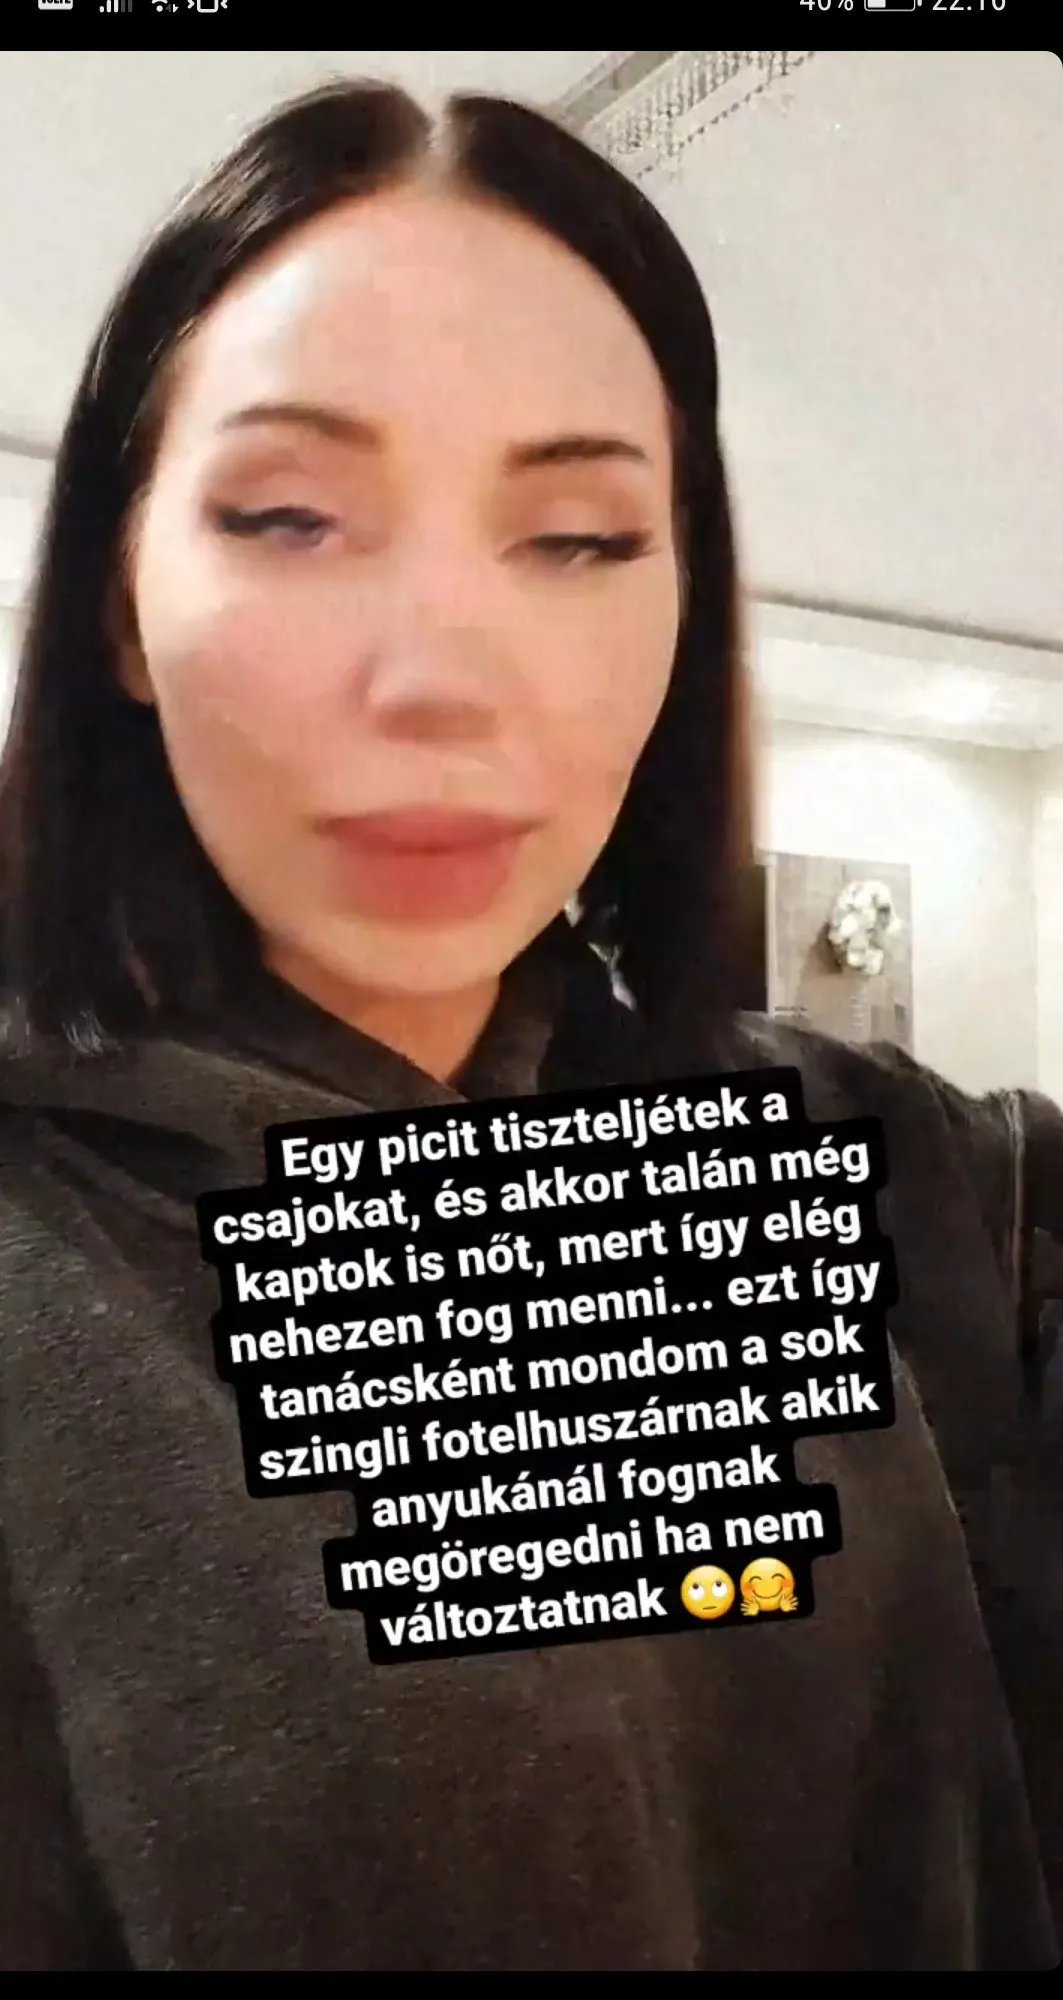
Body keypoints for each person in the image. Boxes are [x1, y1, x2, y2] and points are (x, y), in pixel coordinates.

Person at [0, 79, 1057, 1973]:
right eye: (290, 515)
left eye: (576, 538)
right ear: (120, 613)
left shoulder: (875, 1166)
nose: (439, 678)